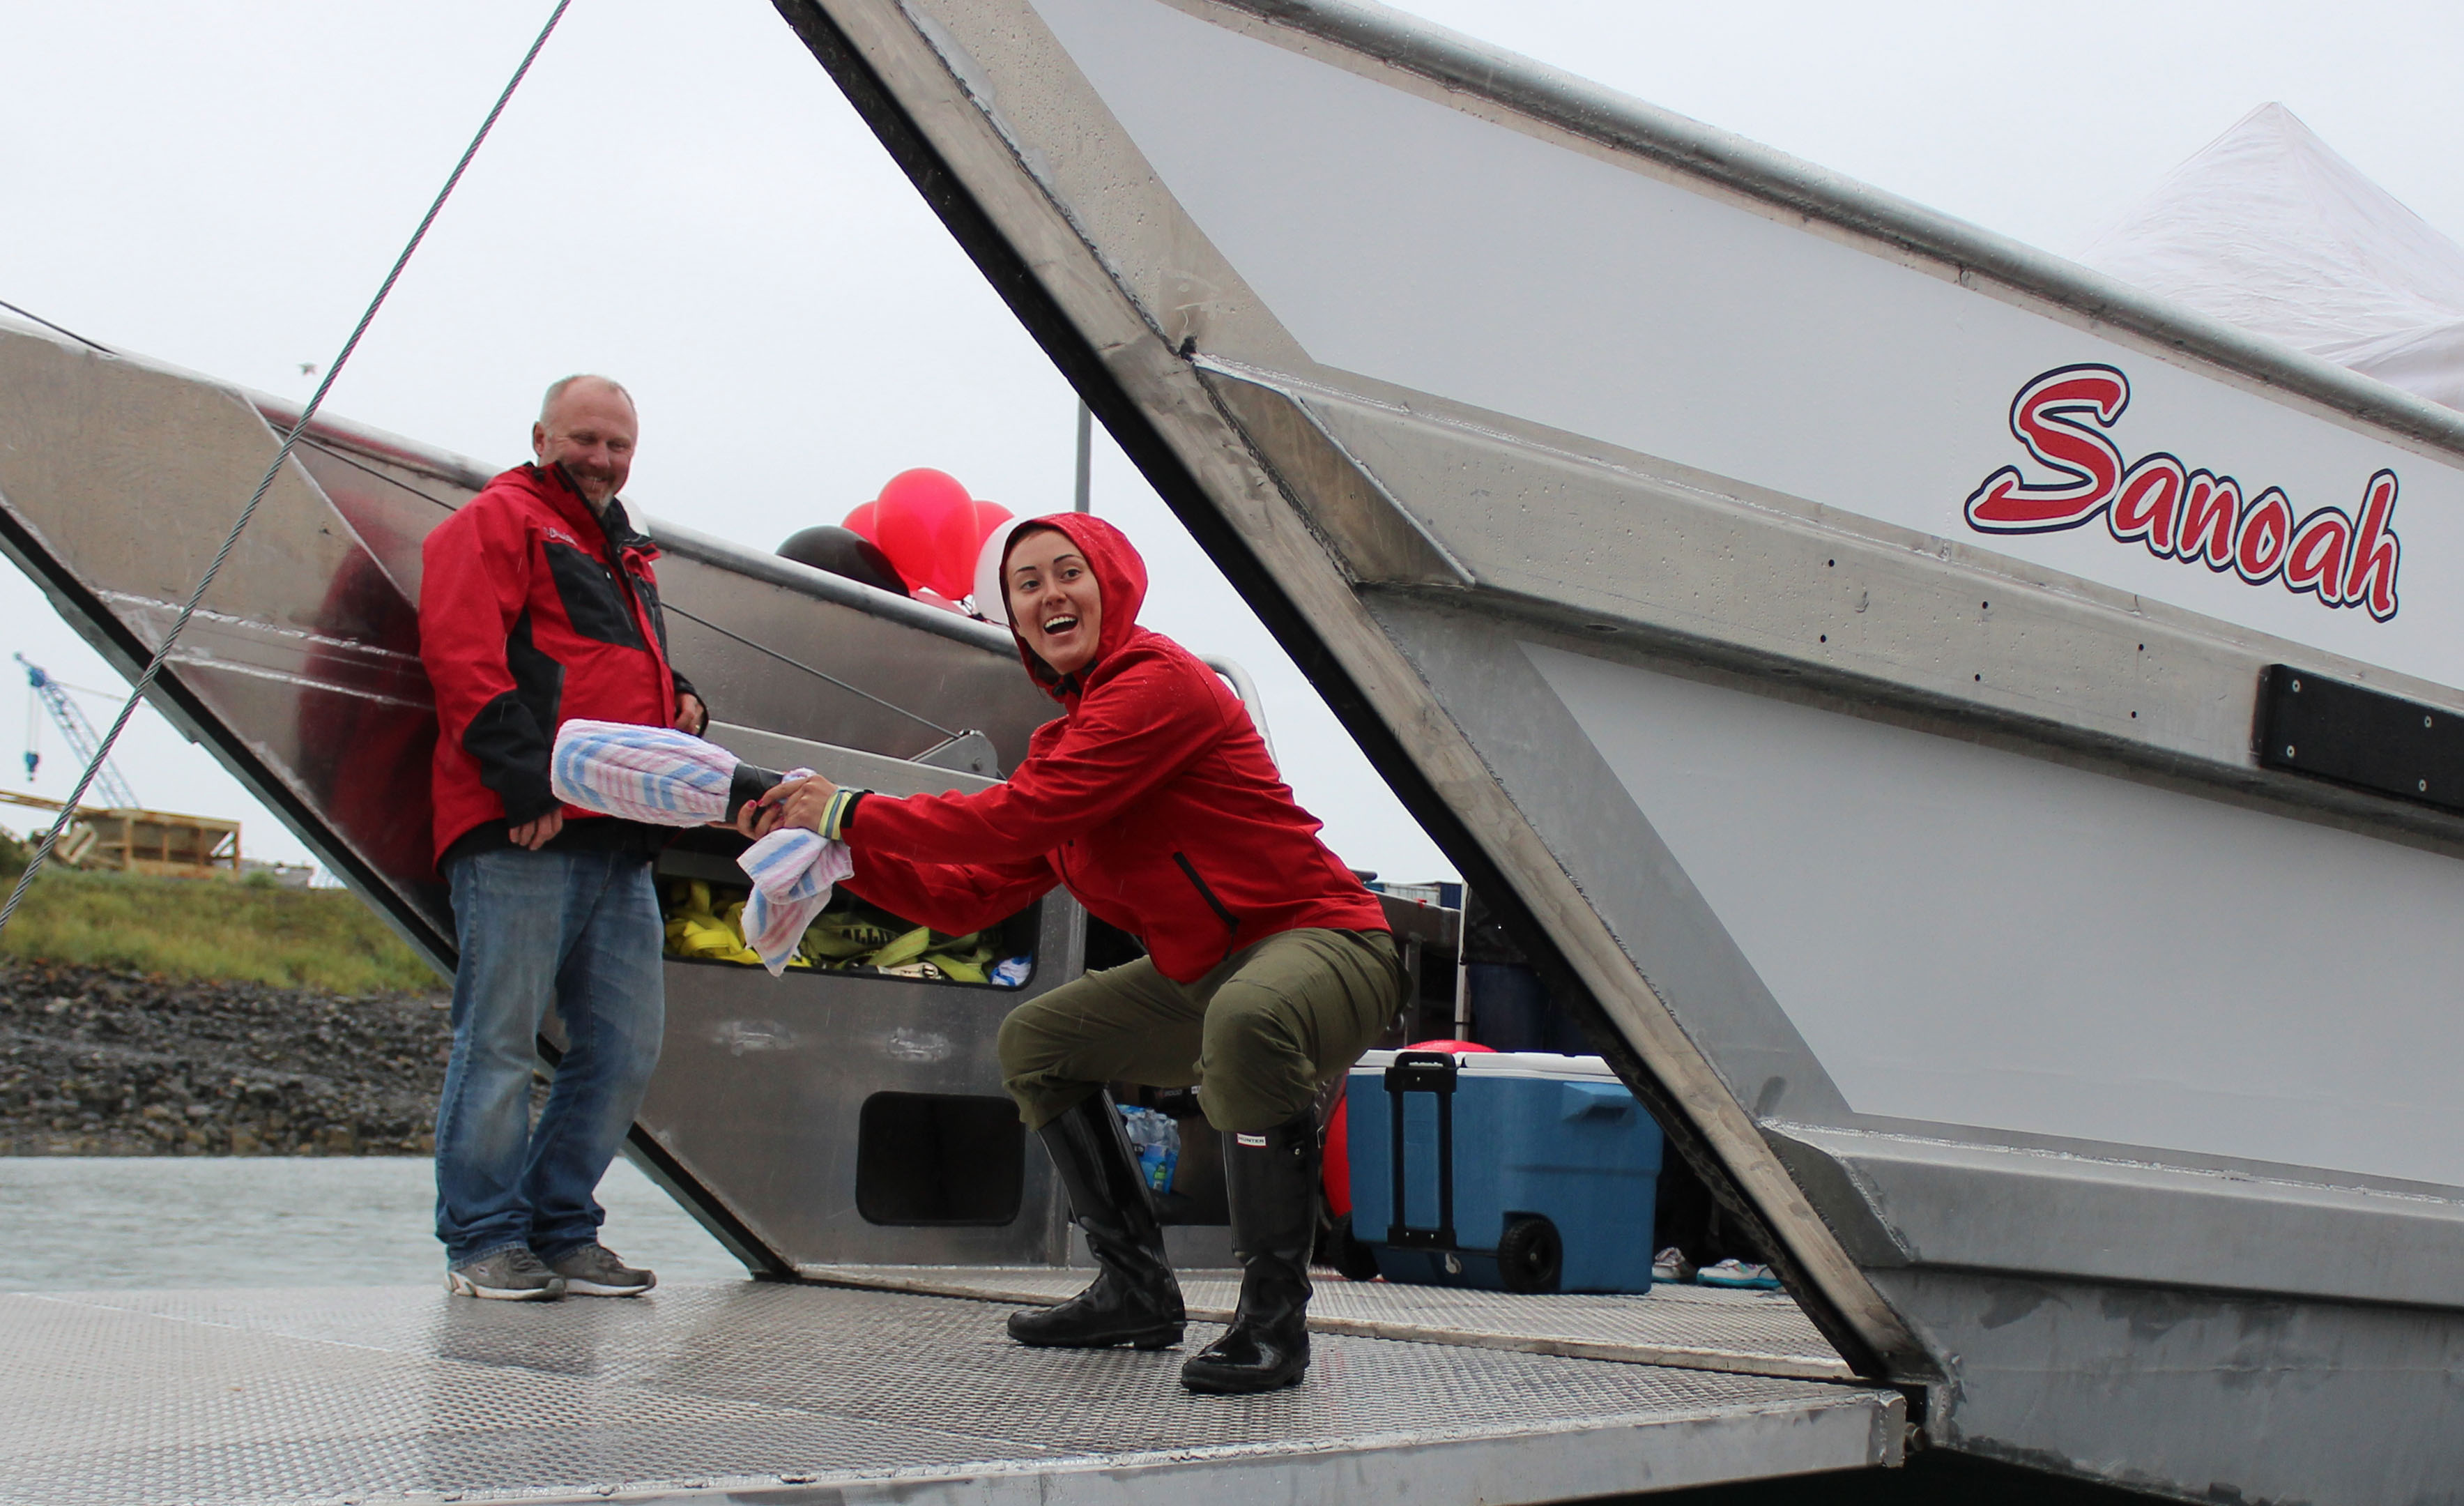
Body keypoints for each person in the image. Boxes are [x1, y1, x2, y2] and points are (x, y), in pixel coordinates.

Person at [747, 515, 1407, 1392]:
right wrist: (843, 859)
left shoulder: (1160, 684)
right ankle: (1136, 1288)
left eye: (1068, 572)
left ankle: (1271, 1323)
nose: (1050, 593)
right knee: (1037, 1041)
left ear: (1112, 583)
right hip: (1207, 976)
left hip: (1330, 944)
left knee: (1251, 1015)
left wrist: (844, 809)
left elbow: (1017, 818)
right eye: (1027, 585)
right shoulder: (1064, 747)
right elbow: (972, 893)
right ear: (1014, 620)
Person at [418, 374, 708, 1301]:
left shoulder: (622, 549)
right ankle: (482, 1239)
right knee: (498, 1041)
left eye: (618, 445)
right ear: (541, 435)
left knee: (624, 1046)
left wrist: (687, 698)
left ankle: (557, 1228)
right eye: (585, 439)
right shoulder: (499, 520)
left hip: (615, 835)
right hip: (523, 832)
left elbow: (606, 663)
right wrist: (521, 782)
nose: (602, 458)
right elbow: (462, 652)